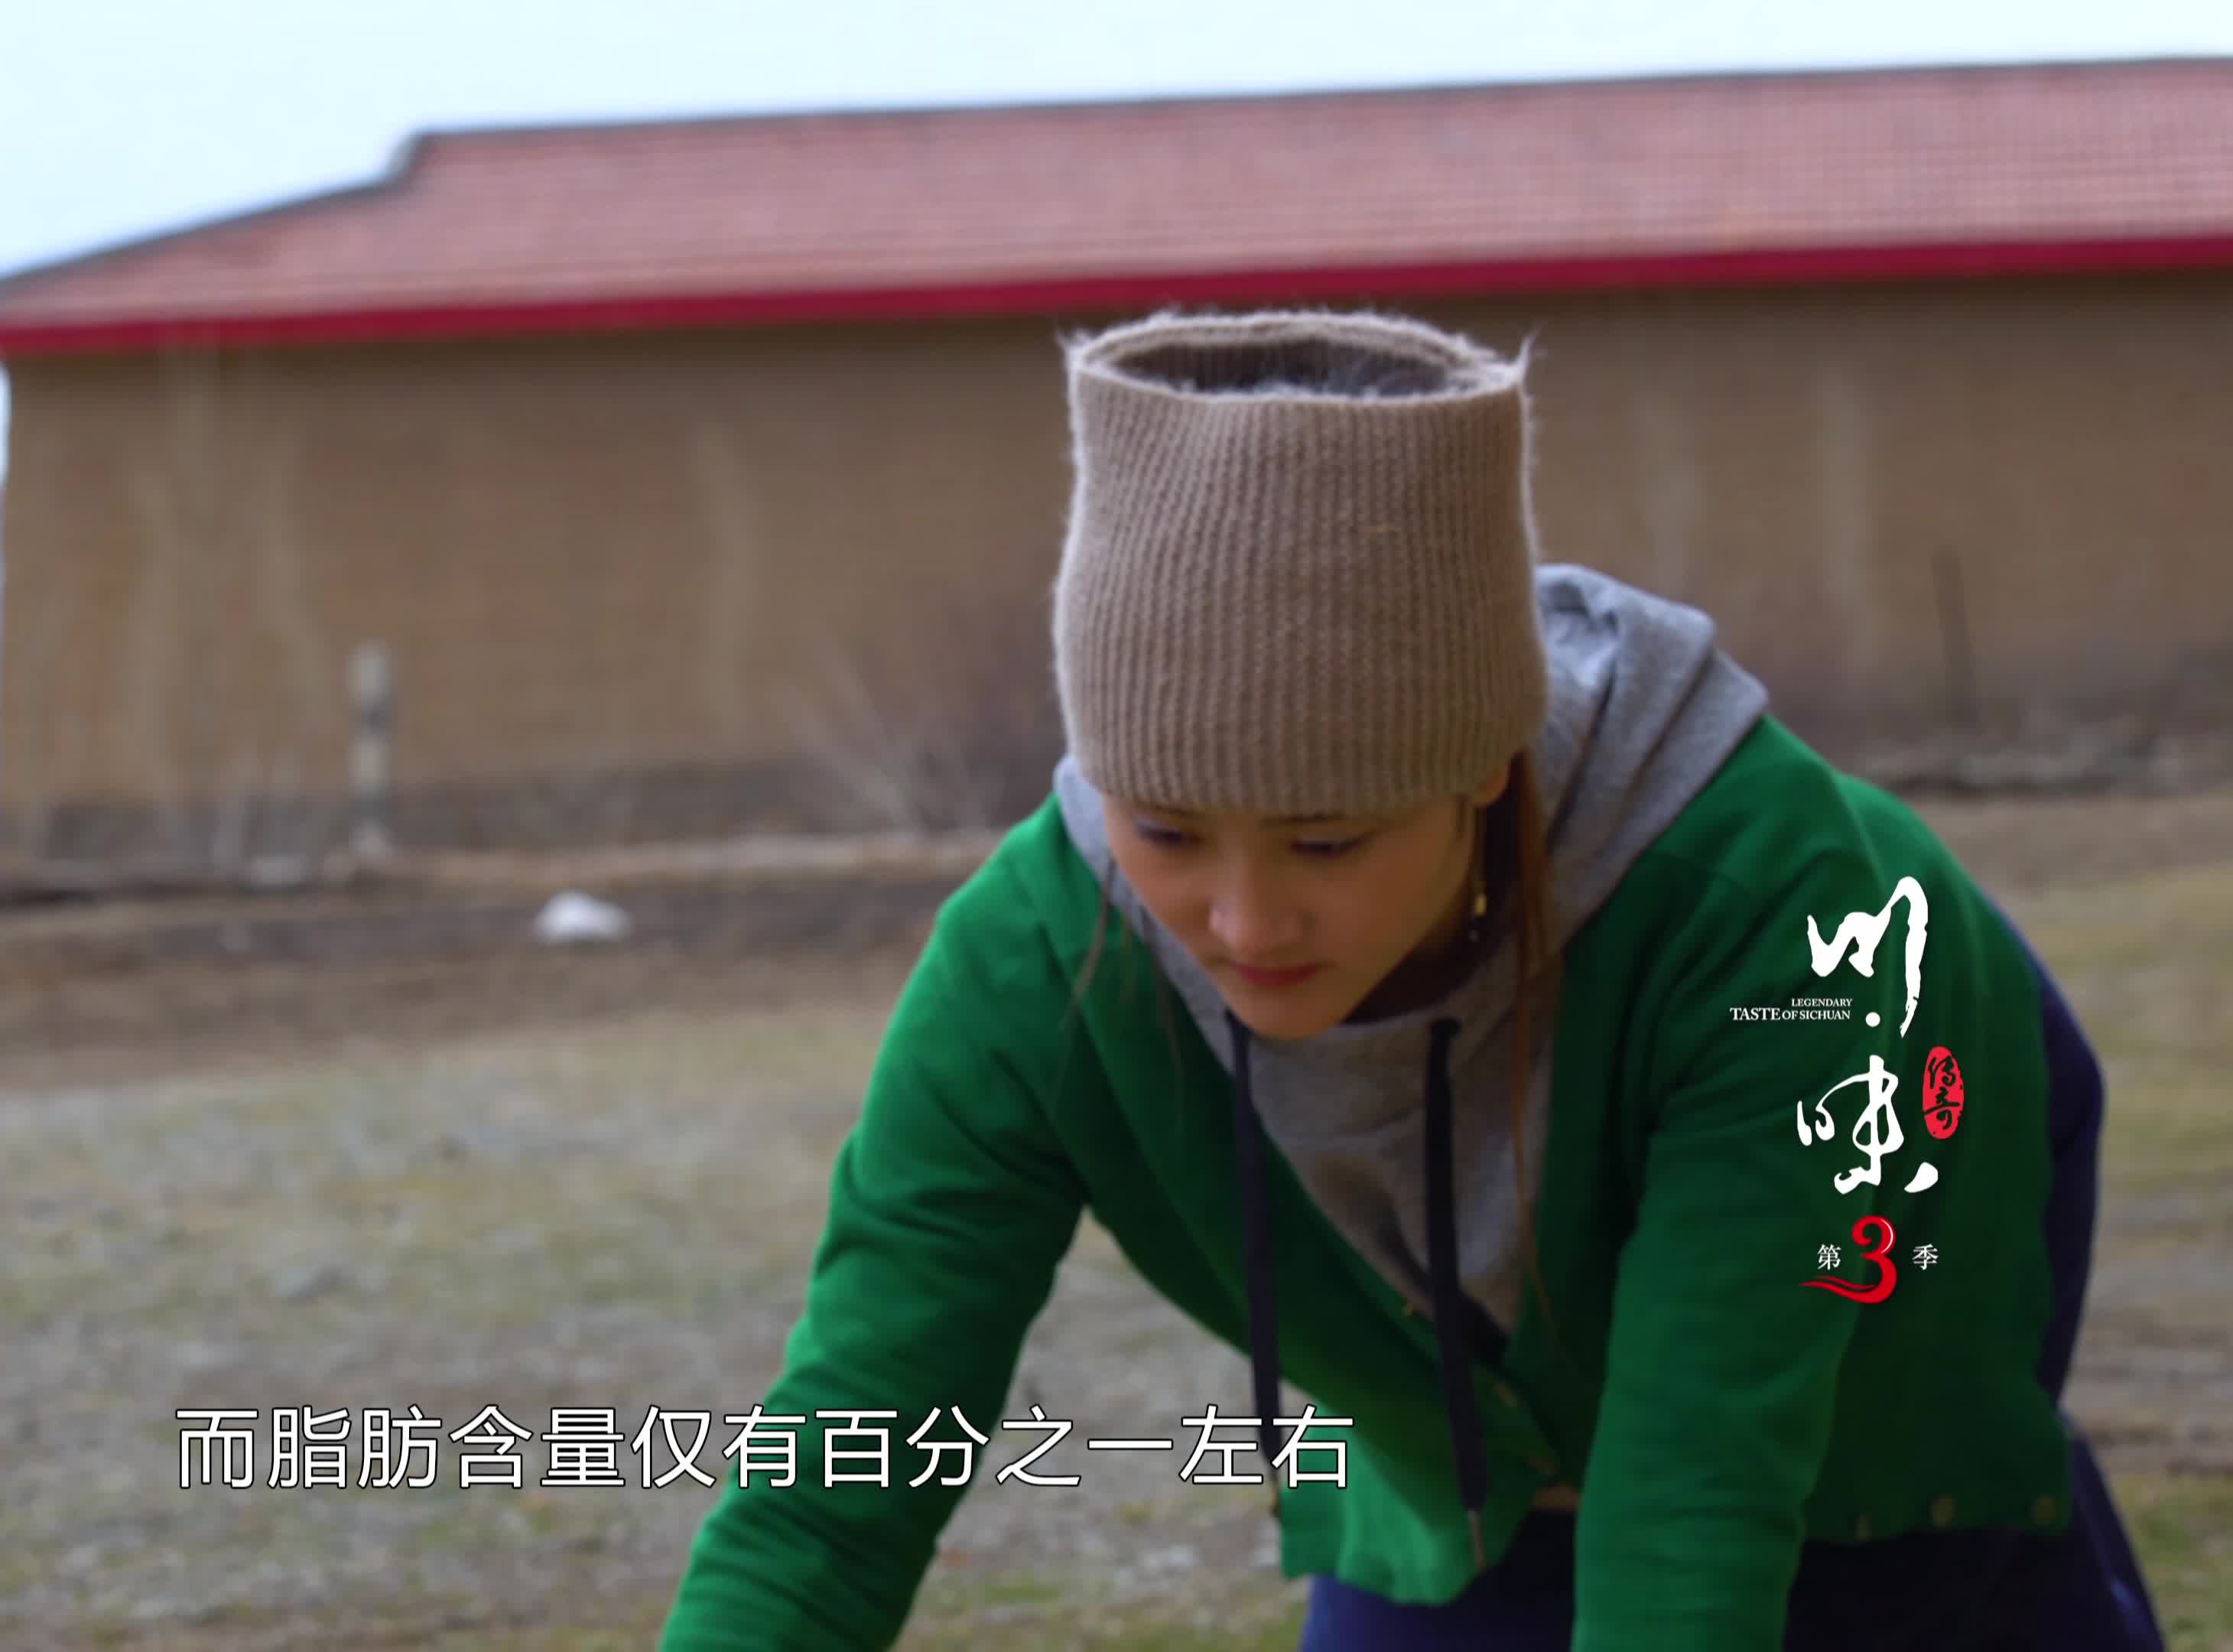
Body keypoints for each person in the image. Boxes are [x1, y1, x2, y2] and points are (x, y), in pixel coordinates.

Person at [655, 310, 2166, 1650]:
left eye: (1328, 840)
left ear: (1480, 769)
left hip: (1893, 1222)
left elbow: (1699, 1484)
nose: (1243, 920)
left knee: (1847, 1550)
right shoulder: (1034, 963)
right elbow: (845, 1460)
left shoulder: (1772, 913)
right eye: (1165, 831)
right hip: (1458, 1431)